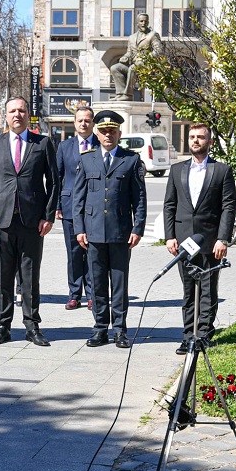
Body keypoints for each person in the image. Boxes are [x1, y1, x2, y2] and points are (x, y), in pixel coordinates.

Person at [0, 96, 59, 347]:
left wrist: (48, 216)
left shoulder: (42, 143)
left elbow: (54, 182)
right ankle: (2, 326)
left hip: (32, 221)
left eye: (21, 110)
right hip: (1, 221)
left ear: (27, 114)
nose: (17, 115)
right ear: (5, 116)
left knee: (30, 277)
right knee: (3, 276)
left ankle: (32, 326)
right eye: (12, 111)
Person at [73, 110, 147, 349]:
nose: (108, 135)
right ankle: (100, 329)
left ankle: (120, 330)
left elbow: (140, 199)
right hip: (93, 232)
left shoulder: (131, 160)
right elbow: (78, 199)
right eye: (104, 131)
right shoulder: (87, 159)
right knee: (97, 283)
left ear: (119, 134)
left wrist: (138, 228)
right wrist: (79, 228)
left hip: (120, 232)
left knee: (119, 283)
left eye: (112, 131)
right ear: (97, 133)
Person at [163, 122, 236, 354]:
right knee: (188, 290)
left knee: (207, 290)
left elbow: (228, 207)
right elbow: (169, 205)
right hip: (184, 242)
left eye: (201, 137)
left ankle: (203, 335)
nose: (195, 140)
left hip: (210, 242)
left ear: (209, 142)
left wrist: (223, 239)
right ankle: (188, 336)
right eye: (192, 137)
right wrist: (169, 236)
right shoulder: (177, 170)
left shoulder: (222, 170)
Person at [56, 105, 98, 311]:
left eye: (87, 120)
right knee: (73, 253)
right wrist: (56, 205)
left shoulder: (100, 144)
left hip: (94, 207)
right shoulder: (64, 147)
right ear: (74, 123)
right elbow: (57, 178)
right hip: (70, 206)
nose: (83, 123)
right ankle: (74, 294)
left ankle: (92, 295)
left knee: (92, 252)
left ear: (93, 123)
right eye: (80, 120)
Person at [107, 13, 162, 101]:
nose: (143, 23)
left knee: (132, 68)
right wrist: (125, 57)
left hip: (147, 67)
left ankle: (128, 95)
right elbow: (129, 52)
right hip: (135, 65)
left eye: (145, 21)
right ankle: (120, 94)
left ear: (148, 22)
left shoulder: (152, 35)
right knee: (115, 68)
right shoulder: (132, 37)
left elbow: (158, 51)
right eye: (141, 21)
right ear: (137, 23)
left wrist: (146, 58)